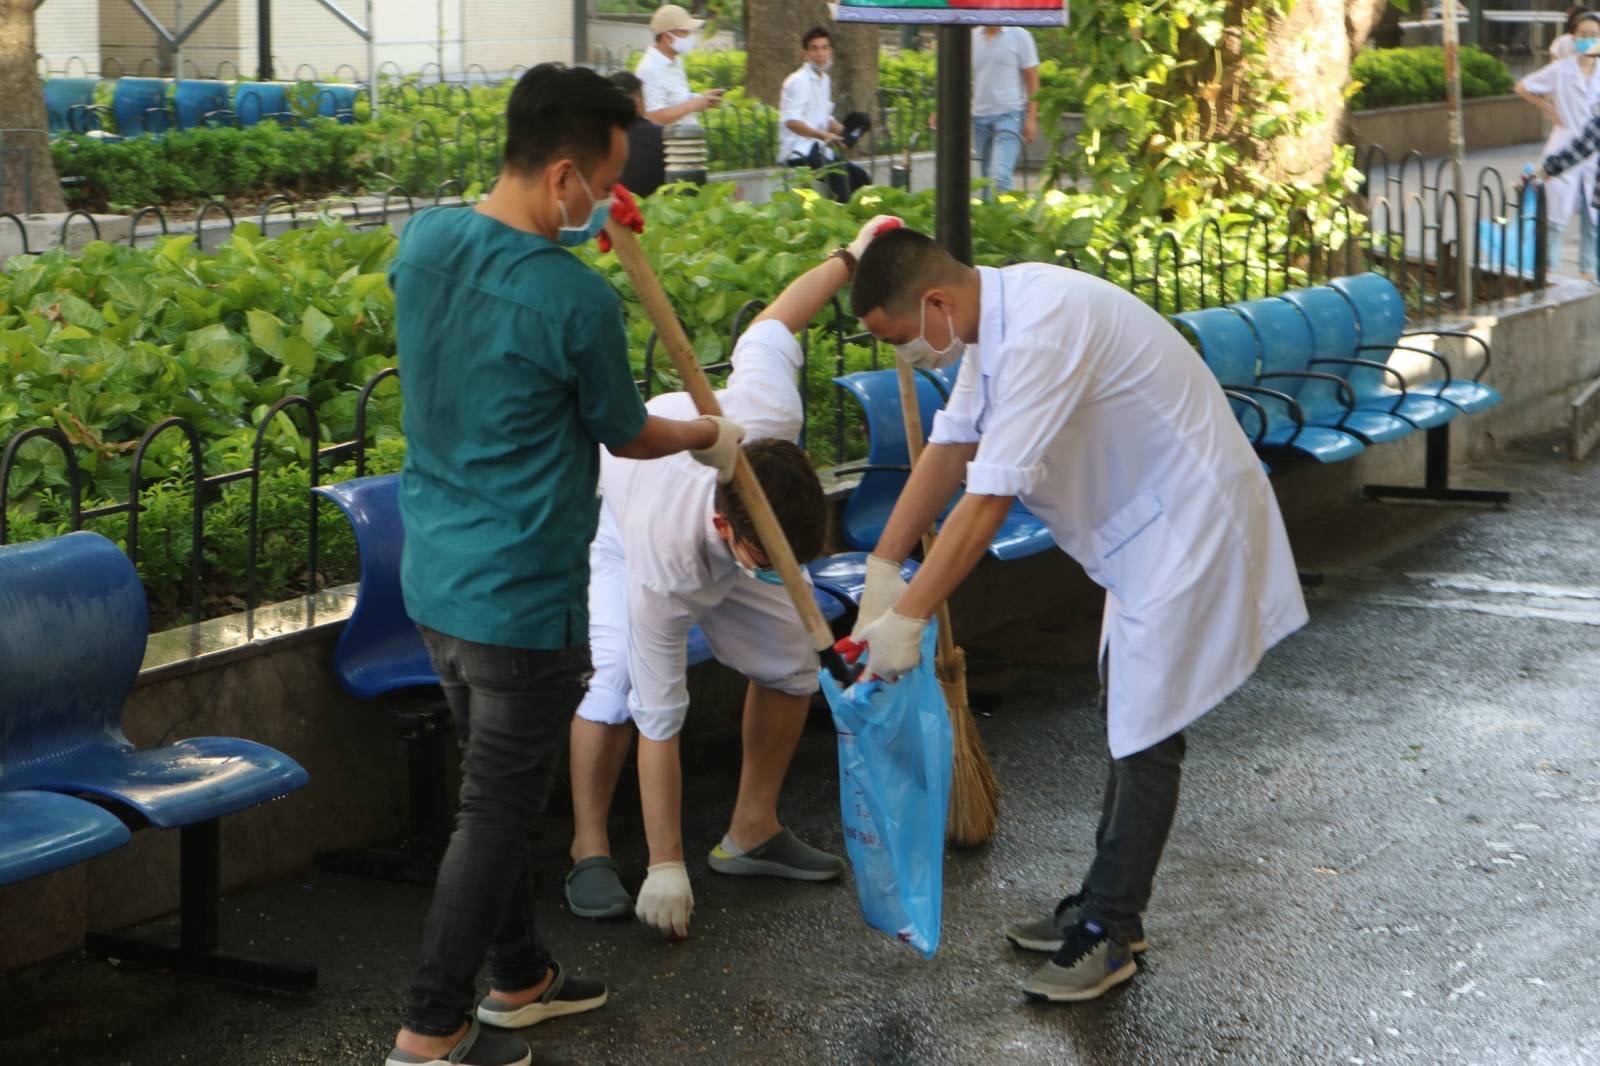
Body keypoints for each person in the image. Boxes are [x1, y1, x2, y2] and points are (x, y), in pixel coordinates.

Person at [383, 64, 744, 1066]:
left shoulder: (424, 241)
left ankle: (519, 978)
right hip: (521, 597)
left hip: (436, 579)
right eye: (605, 182)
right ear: (562, 177)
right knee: (494, 813)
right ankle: (429, 1028)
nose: (604, 204)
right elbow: (624, 431)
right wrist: (706, 433)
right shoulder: (571, 299)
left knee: (490, 800)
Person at [846, 226, 1308, 1004]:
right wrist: (882, 570)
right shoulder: (993, 321)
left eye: (900, 338)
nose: (906, 354)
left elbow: (987, 500)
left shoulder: (1040, 330)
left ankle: (1111, 927)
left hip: (1189, 523)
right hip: (1148, 533)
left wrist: (909, 620)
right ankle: (1103, 900)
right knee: (1126, 712)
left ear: (935, 302)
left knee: (1146, 732)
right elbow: (951, 448)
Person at [564, 222, 896, 935]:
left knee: (793, 663)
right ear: (727, 530)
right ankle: (589, 848)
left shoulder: (771, 418)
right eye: (772, 560)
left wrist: (853, 254)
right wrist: (666, 865)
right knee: (621, 683)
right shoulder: (666, 563)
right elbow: (662, 722)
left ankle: (751, 832)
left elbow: (772, 324)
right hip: (629, 523)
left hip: (734, 536)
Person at [1518, 11, 1600, 279]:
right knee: (1554, 219)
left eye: (1594, 35)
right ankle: (1548, 275)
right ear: (1573, 37)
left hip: (1594, 155)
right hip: (1565, 146)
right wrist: (1550, 110)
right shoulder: (1561, 69)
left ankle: (1588, 278)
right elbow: (1523, 86)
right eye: (1583, 34)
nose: (1588, 40)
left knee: (1592, 221)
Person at [929, 26, 1041, 198]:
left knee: (999, 176)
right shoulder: (971, 37)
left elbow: (1032, 80)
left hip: (1010, 114)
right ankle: (991, 212)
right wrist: (942, 109)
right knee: (986, 178)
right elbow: (956, 77)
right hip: (980, 116)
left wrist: (1031, 118)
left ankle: (1003, 212)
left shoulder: (1020, 35)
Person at [779, 26, 870, 204]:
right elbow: (791, 122)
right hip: (798, 153)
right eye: (814, 49)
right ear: (804, 54)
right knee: (840, 179)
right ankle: (839, 218)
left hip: (819, 150)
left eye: (824, 48)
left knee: (860, 177)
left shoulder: (825, 80)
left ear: (830, 52)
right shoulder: (798, 81)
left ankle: (858, 217)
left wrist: (845, 133)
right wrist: (823, 135)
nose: (820, 54)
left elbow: (824, 117)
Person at [636, 4, 723, 128]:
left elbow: (677, 99)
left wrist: (702, 98)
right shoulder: (650, 69)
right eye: (685, 32)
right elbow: (654, 117)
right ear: (667, 38)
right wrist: (693, 105)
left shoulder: (676, 61)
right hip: (667, 140)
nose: (690, 36)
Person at [609, 71, 666, 197]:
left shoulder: (596, 139)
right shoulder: (661, 135)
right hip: (657, 205)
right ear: (637, 101)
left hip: (614, 206)